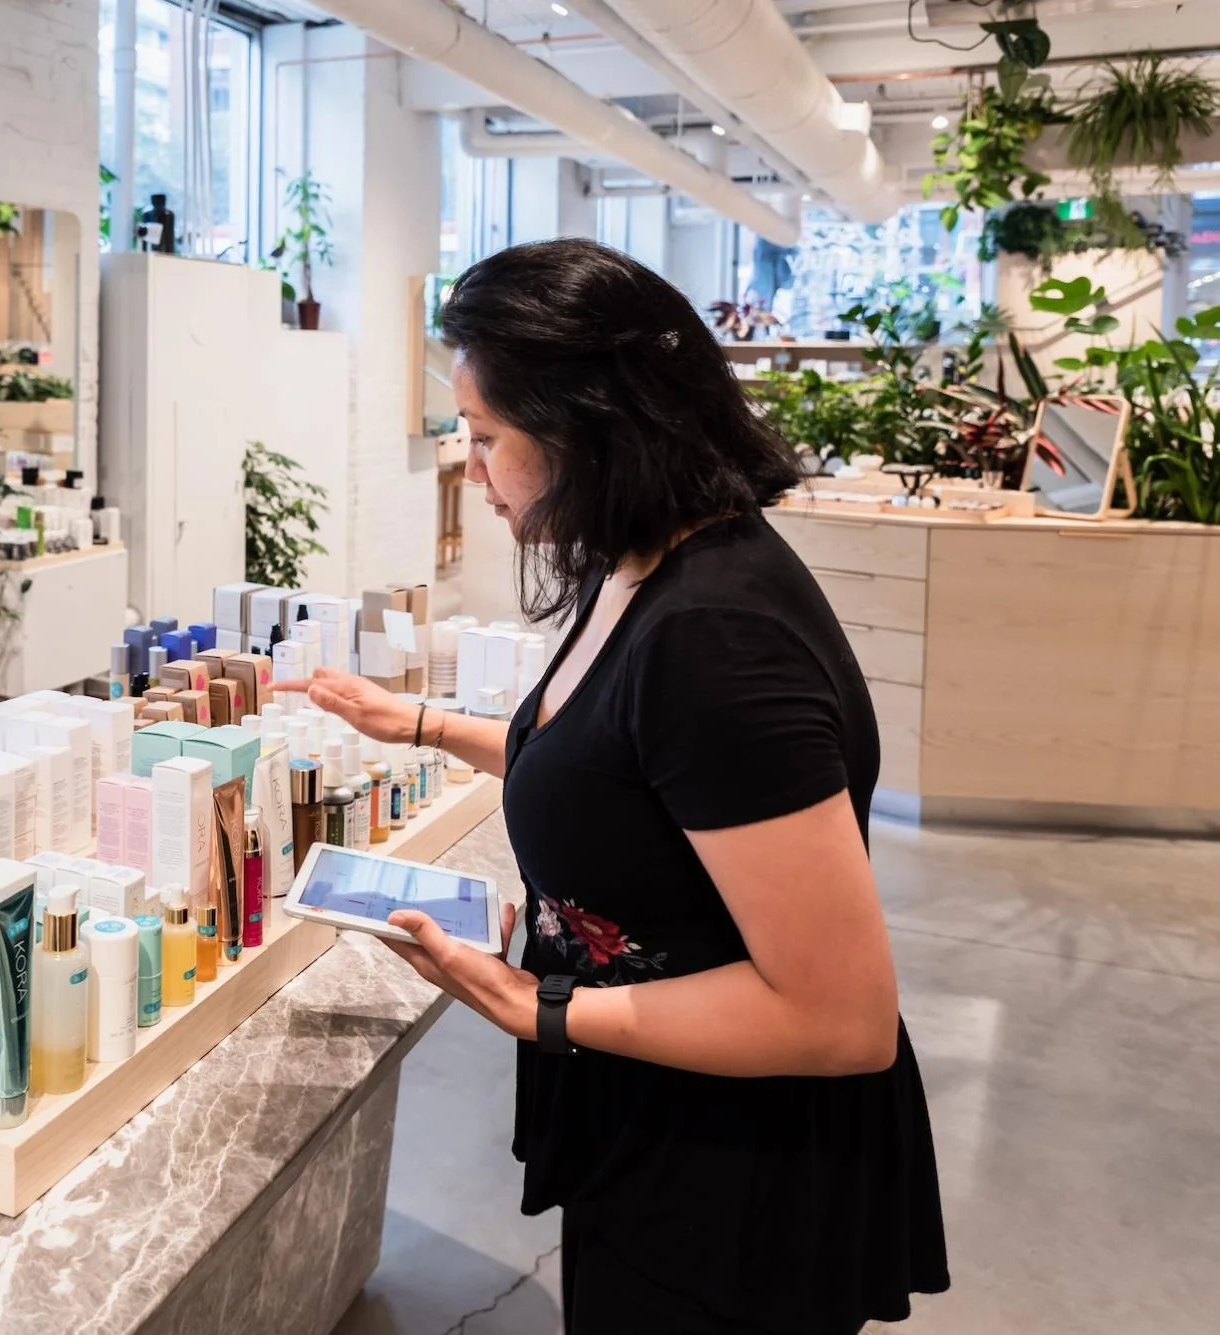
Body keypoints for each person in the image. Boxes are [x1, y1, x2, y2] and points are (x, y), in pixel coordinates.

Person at [276, 239, 947, 1334]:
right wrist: (423, 725)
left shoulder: (716, 639)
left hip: (737, 1174)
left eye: (488, 438)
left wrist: (526, 1001)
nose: (469, 465)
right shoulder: (635, 564)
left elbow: (840, 1019)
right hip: (652, 1115)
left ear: (584, 430)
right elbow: (613, 764)